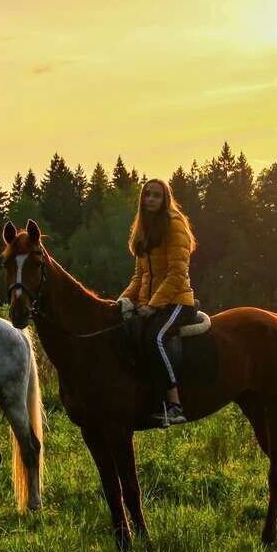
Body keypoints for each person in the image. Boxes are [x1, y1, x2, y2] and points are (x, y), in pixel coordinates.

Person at [119, 179, 197, 427]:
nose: (150, 199)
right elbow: (140, 276)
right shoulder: (143, 229)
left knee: (156, 338)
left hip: (177, 301)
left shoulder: (175, 225)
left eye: (156, 195)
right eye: (147, 195)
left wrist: (153, 305)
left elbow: (177, 273)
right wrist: (122, 300)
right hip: (150, 302)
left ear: (165, 200)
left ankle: (175, 405)